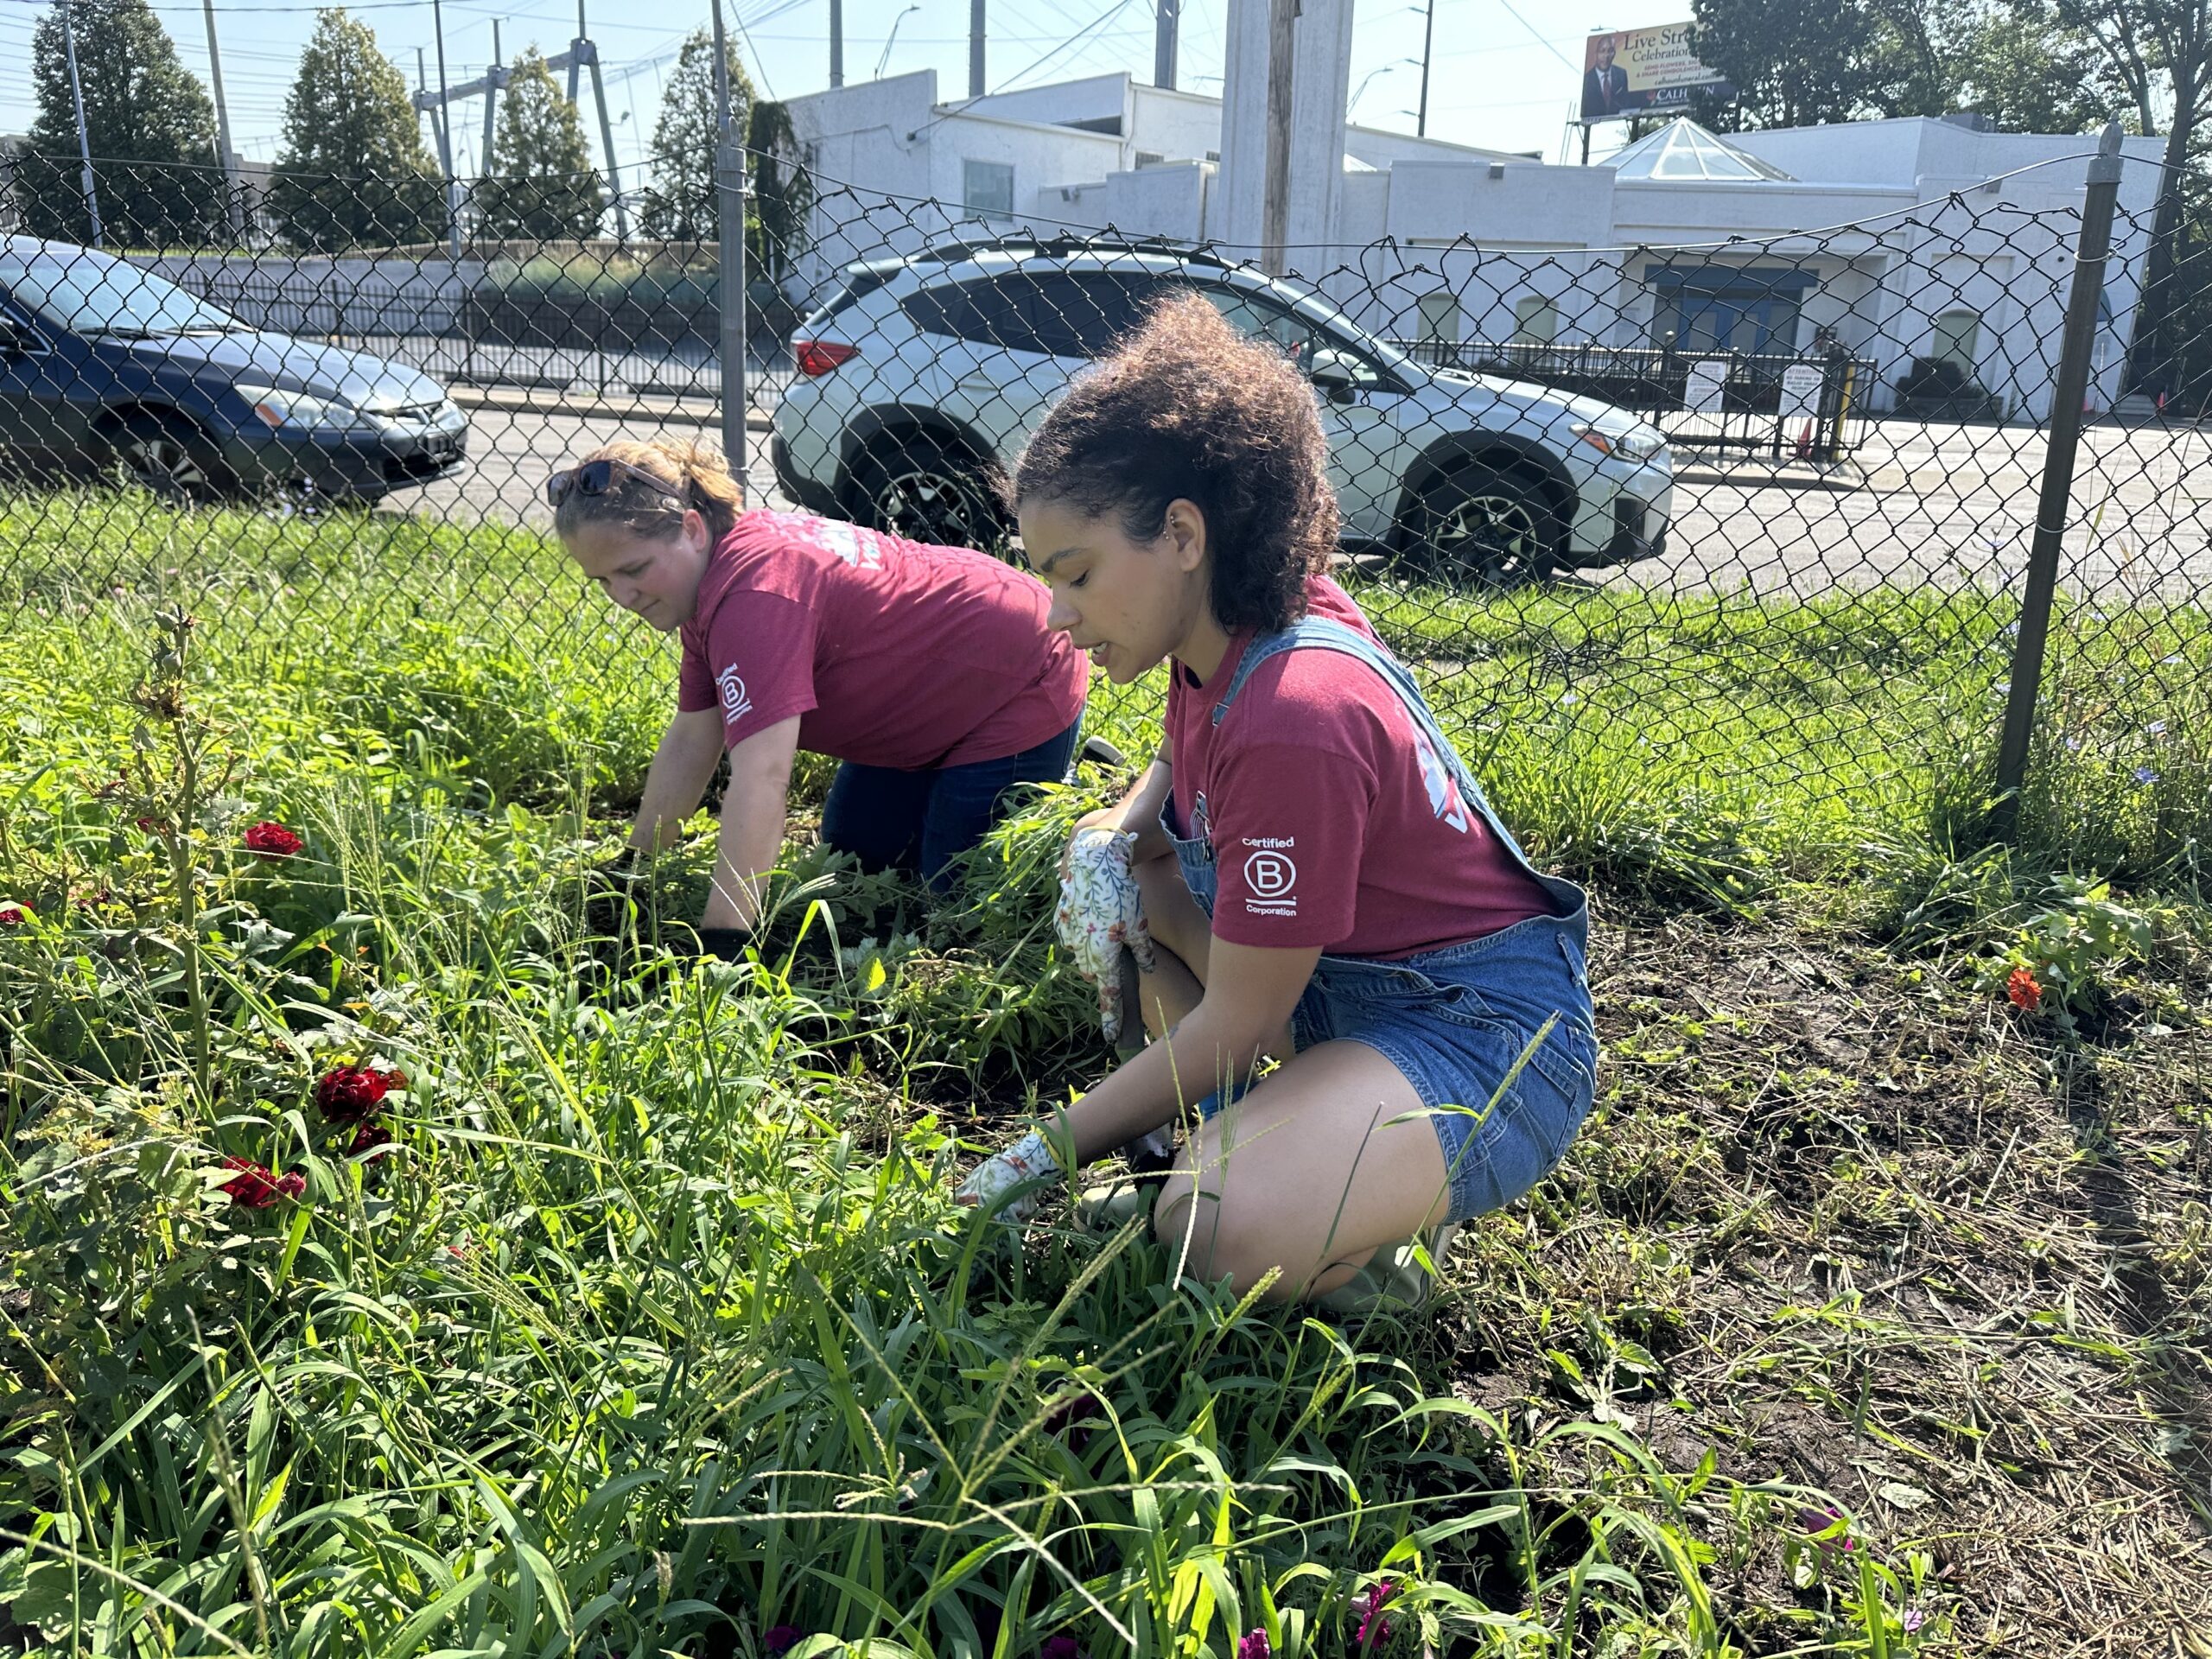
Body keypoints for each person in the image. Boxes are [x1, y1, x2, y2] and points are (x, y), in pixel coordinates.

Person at [955, 297, 1599, 1313]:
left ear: (1180, 533)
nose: (1057, 613)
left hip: (1479, 1034)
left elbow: (1238, 1021)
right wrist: (1118, 838)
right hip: (1346, 993)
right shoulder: (1232, 615)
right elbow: (1180, 748)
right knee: (1127, 880)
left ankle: (1359, 1252)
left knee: (1214, 1230)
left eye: (1074, 573)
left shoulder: (1293, 716)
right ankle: (1250, 1152)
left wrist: (1015, 1170)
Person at [552, 439, 1090, 950]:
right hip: (931, 696)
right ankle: (977, 777)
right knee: (853, 863)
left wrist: (724, 945)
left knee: (954, 906)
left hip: (1022, 678)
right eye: (602, 580)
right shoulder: (707, 582)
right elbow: (694, 737)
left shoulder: (755, 597)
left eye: (634, 569)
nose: (621, 596)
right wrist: (633, 871)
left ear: (692, 528)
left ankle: (1067, 788)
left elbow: (762, 777)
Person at [1582, 34, 1631, 120]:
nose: (1606, 56)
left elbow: (1625, 104)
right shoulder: (1588, 79)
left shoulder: (1621, 74)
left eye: (1610, 51)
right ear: (1596, 54)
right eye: (1602, 51)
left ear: (1614, 53)